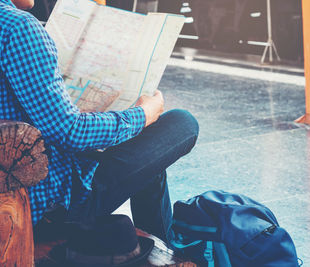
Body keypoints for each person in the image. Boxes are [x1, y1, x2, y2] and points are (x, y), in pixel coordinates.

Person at [0, 0, 199, 263]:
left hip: (14, 181)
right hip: (41, 203)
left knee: (147, 155)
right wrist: (143, 114)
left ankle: (164, 248)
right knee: (181, 123)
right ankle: (167, 252)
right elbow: (71, 132)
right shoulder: (17, 29)